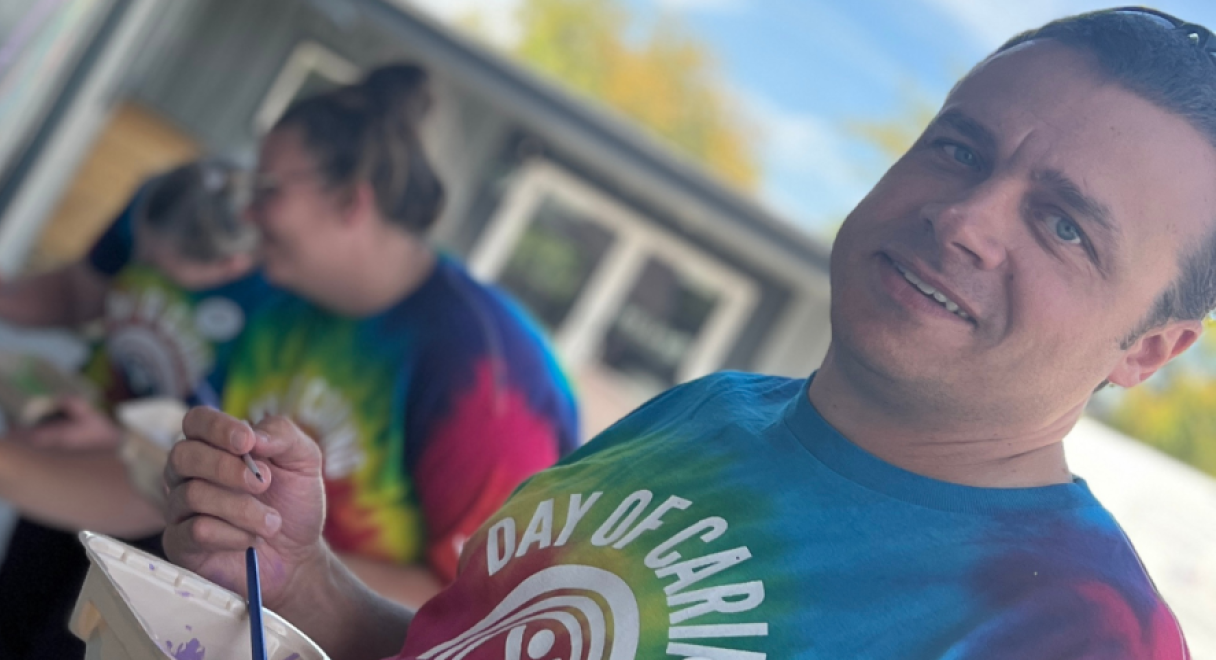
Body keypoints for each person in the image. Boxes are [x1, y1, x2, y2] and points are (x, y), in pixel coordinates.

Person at [161, 9, 1204, 659]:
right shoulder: (707, 412)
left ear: (1148, 350)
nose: (968, 220)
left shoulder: (1077, 632)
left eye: (1063, 225)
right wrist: (301, 575)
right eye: (960, 149)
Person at [0, 62, 581, 646]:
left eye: (269, 191)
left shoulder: (491, 382)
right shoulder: (285, 293)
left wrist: (283, 560)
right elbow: (175, 488)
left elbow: (487, 617)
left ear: (353, 203)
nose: (245, 212)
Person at [0, 159, 278, 660]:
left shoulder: (282, 307)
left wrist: (117, 441)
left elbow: (245, 466)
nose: (140, 266)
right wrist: (1, 297)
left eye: (159, 267)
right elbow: (82, 292)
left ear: (232, 268)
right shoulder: (160, 198)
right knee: (17, 602)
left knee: (73, 643)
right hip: (84, 440)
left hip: (168, 505)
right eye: (139, 252)